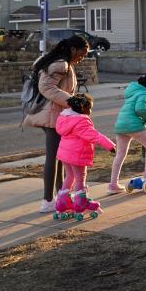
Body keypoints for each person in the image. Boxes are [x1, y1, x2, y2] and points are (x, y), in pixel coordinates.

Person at [22, 35, 90, 213]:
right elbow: (47, 87)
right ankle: (47, 200)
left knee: (62, 157)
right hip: (53, 117)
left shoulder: (63, 62)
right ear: (73, 49)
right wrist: (74, 103)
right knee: (53, 158)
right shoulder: (61, 64)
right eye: (82, 54)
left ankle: (62, 195)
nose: (82, 58)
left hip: (57, 116)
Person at [55, 93, 116, 216]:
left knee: (69, 176)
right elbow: (94, 135)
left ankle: (62, 202)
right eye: (90, 108)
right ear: (83, 108)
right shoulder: (81, 121)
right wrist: (110, 145)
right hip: (77, 154)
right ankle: (80, 203)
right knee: (80, 178)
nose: (91, 111)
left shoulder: (64, 117)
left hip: (65, 154)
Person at [109, 68, 146, 194]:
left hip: (121, 124)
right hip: (133, 125)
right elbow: (140, 109)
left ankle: (113, 184)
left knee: (120, 154)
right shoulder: (145, 93)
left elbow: (135, 108)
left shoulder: (133, 91)